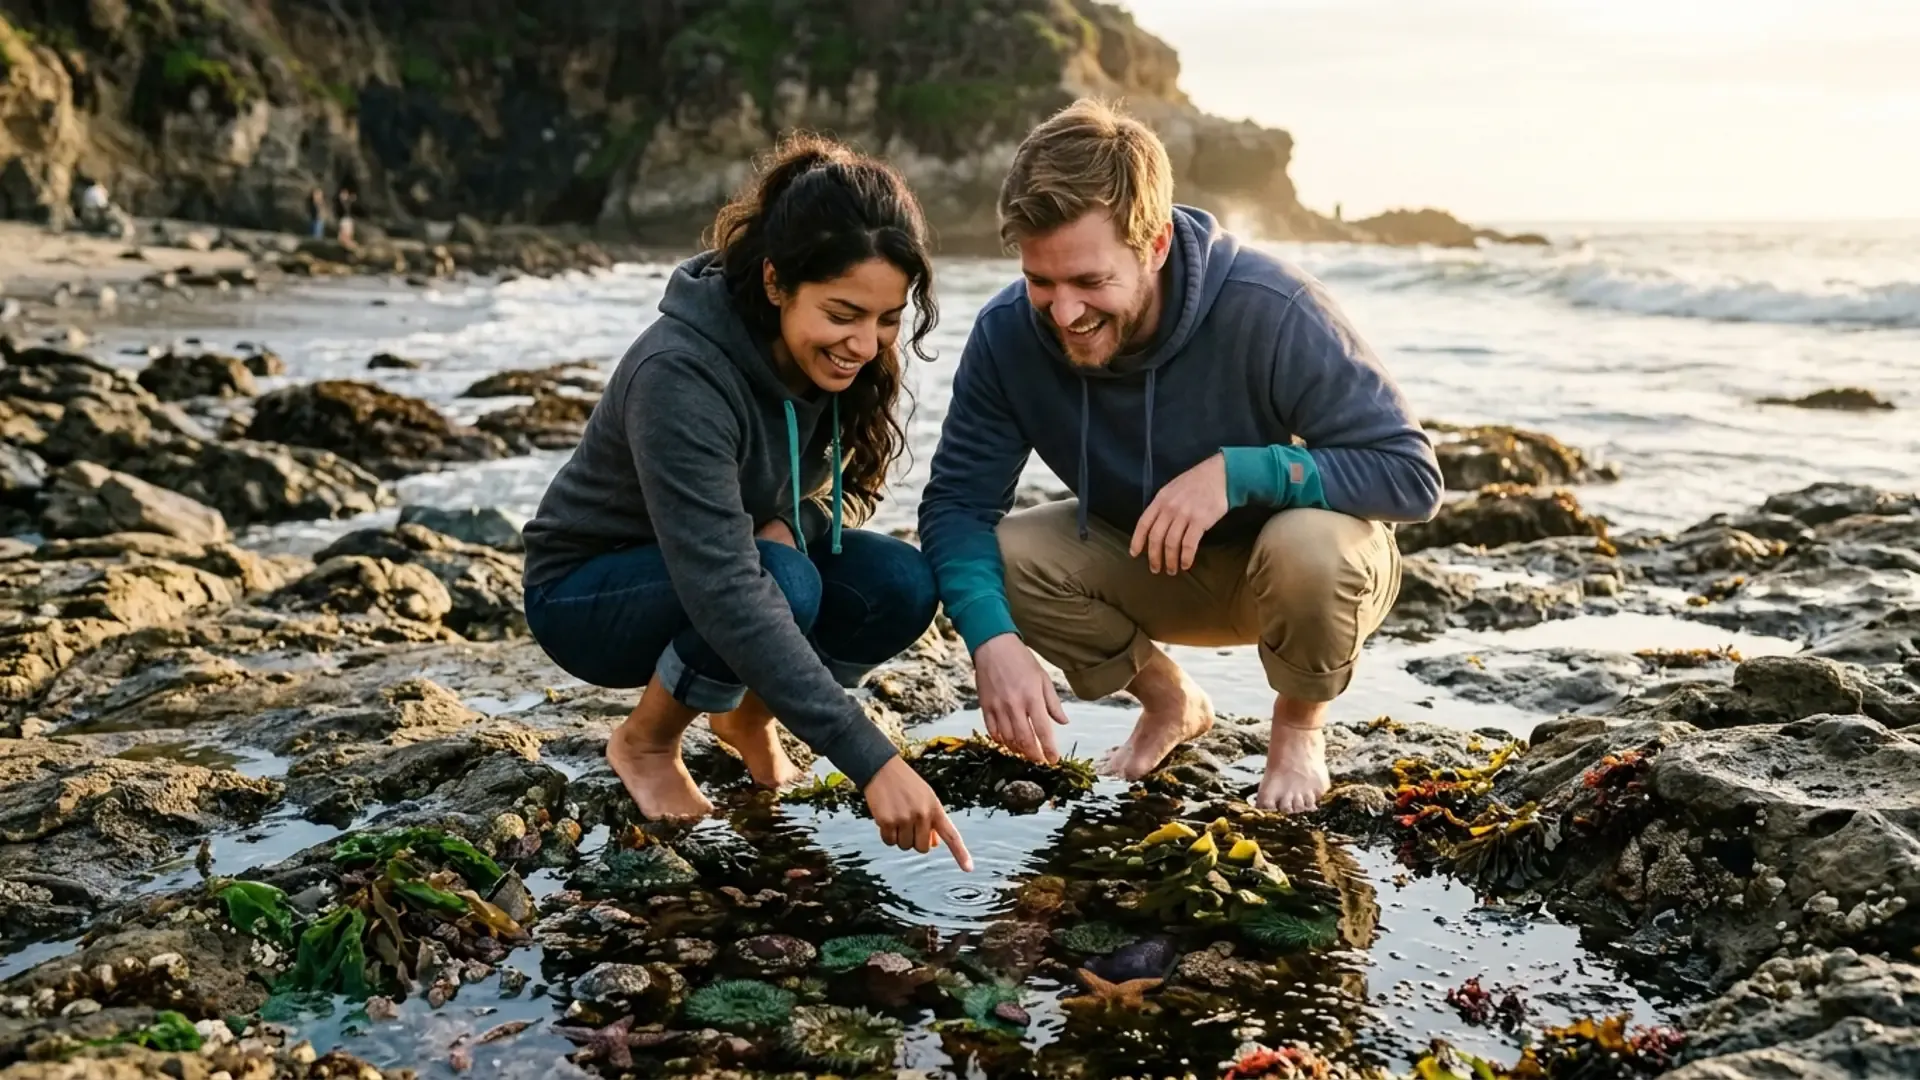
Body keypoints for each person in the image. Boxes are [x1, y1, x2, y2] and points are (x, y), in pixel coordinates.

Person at [917, 99, 1443, 813]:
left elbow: (1411, 475)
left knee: (1309, 548)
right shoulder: (1009, 334)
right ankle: (1171, 703)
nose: (1064, 312)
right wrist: (990, 643)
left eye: (1091, 282)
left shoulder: (1271, 304)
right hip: (1155, 563)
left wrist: (1242, 472)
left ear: (1156, 244)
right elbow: (957, 506)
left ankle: (1296, 734)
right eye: (1043, 282)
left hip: (1293, 571)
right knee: (1001, 558)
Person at [522, 133, 974, 869]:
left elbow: (859, 487)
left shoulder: (851, 358)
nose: (865, 343)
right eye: (843, 313)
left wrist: (796, 521)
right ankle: (646, 742)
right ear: (774, 283)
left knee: (901, 582)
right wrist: (872, 759)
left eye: (888, 317)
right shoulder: (680, 373)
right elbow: (726, 588)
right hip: (589, 594)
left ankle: (746, 716)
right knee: (780, 582)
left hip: (733, 566)